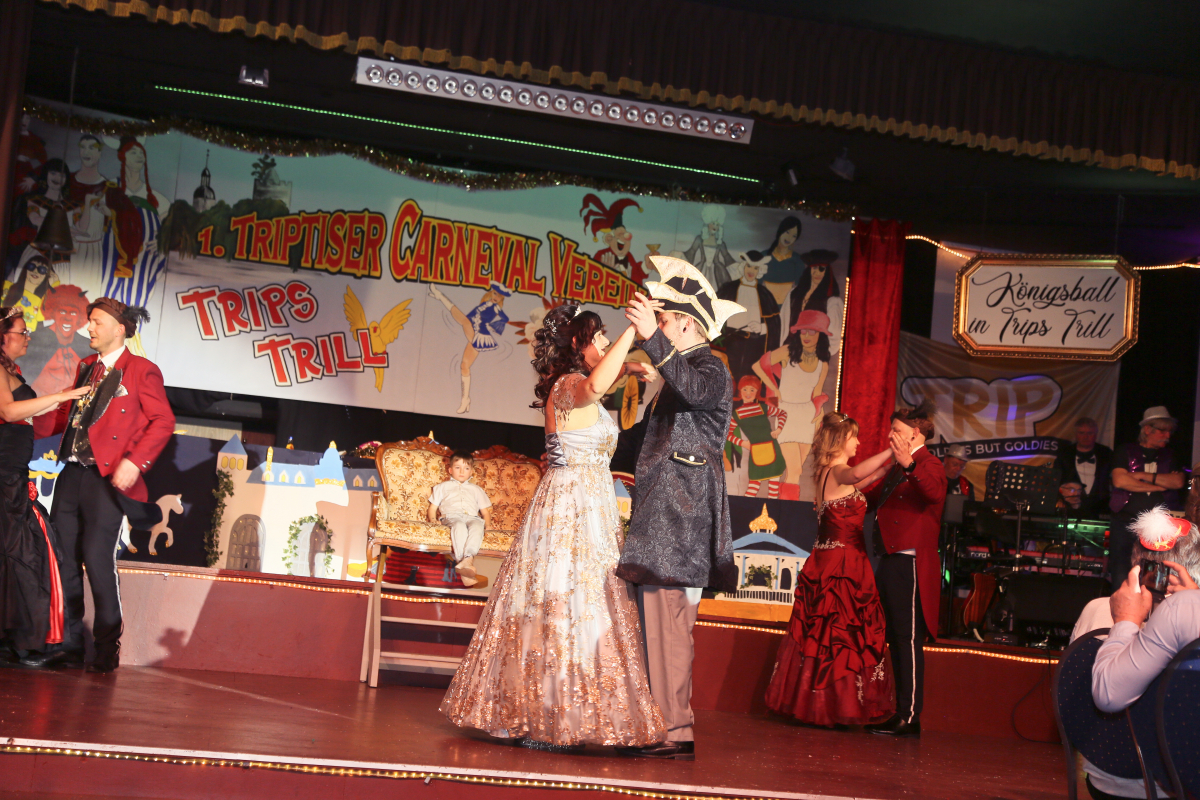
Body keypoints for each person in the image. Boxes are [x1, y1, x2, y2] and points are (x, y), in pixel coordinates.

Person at [441, 304, 665, 750]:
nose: (605, 344)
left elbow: (601, 384)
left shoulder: (581, 386)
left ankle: (576, 711)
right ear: (578, 345)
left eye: (607, 338)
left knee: (589, 604)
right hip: (567, 509)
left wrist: (629, 366)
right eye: (598, 338)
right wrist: (633, 335)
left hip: (592, 506)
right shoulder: (566, 385)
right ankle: (543, 711)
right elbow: (594, 385)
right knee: (560, 601)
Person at [615, 255, 745, 761]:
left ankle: (673, 728)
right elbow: (640, 442)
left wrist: (652, 339)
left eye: (665, 319)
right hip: (663, 518)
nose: (659, 325)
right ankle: (661, 724)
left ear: (687, 324)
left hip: (681, 520)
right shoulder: (677, 375)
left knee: (669, 623)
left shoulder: (711, 369)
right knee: (657, 622)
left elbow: (693, 391)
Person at [26, 297, 175, 672]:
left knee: (96, 558)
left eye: (95, 322)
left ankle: (107, 648)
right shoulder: (87, 365)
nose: (88, 327)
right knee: (64, 559)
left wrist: (135, 462)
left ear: (119, 329)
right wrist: (18, 417)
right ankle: (70, 643)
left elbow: (163, 421)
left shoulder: (141, 370)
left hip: (105, 478)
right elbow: (65, 417)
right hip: (71, 472)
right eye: (89, 321)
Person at [765, 412, 896, 726]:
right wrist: (891, 450)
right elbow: (856, 475)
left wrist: (890, 466)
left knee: (823, 634)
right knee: (840, 634)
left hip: (829, 559)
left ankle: (817, 702)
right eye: (854, 437)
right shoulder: (838, 471)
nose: (858, 443)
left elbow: (863, 479)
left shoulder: (827, 473)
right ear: (840, 441)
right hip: (842, 564)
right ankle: (834, 706)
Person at [0, 307, 89, 663]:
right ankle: (19, 640)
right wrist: (62, 396)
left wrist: (71, 403)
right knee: (17, 551)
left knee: (19, 551)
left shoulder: (11, 371)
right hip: (4, 475)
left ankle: (14, 639)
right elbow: (8, 412)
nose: (27, 337)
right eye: (21, 332)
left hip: (13, 474)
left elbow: (30, 419)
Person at [862, 402, 948, 737]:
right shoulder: (899, 468)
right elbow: (871, 499)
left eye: (896, 430)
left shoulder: (928, 463)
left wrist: (910, 464)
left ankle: (910, 715)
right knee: (896, 638)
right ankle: (902, 711)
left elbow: (933, 492)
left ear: (915, 433)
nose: (890, 435)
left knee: (907, 639)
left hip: (909, 562)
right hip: (890, 559)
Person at [1092, 506, 1200, 712]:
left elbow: (1108, 695)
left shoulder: (1096, 609)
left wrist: (1125, 621)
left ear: (1136, 567)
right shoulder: (1185, 608)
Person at [1108, 407, 1185, 590]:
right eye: (1162, 430)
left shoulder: (1170, 455)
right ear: (1148, 429)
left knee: (1157, 572)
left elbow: (1177, 481)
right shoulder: (1125, 451)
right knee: (1121, 569)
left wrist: (1141, 475)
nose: (1167, 435)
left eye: (1170, 431)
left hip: (1160, 524)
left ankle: (1153, 605)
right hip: (1125, 521)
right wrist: (1159, 485)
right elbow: (1120, 480)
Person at [753, 309, 832, 485]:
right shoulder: (788, 351)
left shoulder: (823, 363)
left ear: (821, 334)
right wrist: (774, 387)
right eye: (803, 331)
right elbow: (758, 366)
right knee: (795, 469)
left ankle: (786, 501)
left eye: (812, 331)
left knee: (796, 471)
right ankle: (787, 502)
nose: (807, 335)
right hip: (786, 413)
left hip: (808, 416)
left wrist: (819, 416)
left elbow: (817, 394)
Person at [428, 281, 512, 415]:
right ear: (492, 292)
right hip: (473, 331)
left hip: (480, 335)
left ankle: (440, 296)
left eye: (500, 296)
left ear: (502, 298)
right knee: (464, 366)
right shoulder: (484, 304)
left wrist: (494, 326)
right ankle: (465, 400)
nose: (497, 297)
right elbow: (470, 317)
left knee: (464, 321)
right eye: (495, 293)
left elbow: (505, 318)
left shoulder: (496, 308)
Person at [427, 450, 492, 589]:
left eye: (466, 468)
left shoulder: (476, 490)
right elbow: (433, 507)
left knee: (477, 527)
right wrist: (433, 520)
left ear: (471, 472)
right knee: (459, 526)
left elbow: (485, 512)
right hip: (452, 516)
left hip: (472, 517)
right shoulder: (442, 487)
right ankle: (464, 562)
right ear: (450, 470)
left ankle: (467, 560)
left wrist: (487, 524)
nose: (462, 471)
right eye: (458, 467)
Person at [716, 251, 781, 386]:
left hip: (755, 345)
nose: (751, 271)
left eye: (755, 268)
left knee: (749, 379)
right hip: (730, 342)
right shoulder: (728, 289)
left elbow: (775, 323)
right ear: (743, 267)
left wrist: (762, 327)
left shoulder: (765, 294)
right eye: (749, 266)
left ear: (760, 270)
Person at [785, 249, 844, 355]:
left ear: (827, 272)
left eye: (821, 269)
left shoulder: (832, 301)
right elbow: (784, 321)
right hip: (789, 347)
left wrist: (822, 355)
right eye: (814, 268)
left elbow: (834, 335)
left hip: (813, 352)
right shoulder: (793, 294)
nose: (817, 273)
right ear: (809, 270)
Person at [1055, 417, 1113, 517]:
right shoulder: (1064, 453)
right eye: (1081, 433)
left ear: (1096, 434)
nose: (1085, 436)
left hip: (1101, 508)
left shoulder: (1106, 453)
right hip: (1069, 509)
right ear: (1076, 434)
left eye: (1090, 433)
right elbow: (1056, 481)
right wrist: (1059, 500)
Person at [682, 204, 737, 289]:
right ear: (708, 223)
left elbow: (727, 257)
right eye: (713, 223)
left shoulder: (721, 244)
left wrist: (737, 267)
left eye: (717, 224)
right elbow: (691, 252)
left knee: (716, 289)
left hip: (717, 271)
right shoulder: (699, 239)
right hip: (701, 268)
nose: (715, 226)